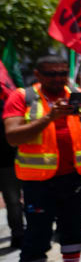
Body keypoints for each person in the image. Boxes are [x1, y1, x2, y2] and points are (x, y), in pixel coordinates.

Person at [3, 55, 81, 262]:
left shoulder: (78, 96)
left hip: (75, 179)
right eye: (51, 74)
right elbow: (12, 137)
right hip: (38, 183)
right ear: (37, 75)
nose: (58, 78)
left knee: (74, 232)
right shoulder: (22, 97)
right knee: (37, 236)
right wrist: (49, 118)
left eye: (63, 73)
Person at [0, 91, 24, 250]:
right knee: (13, 201)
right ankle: (18, 233)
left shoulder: (6, 106)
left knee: (16, 200)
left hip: (13, 160)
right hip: (5, 163)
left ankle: (21, 233)